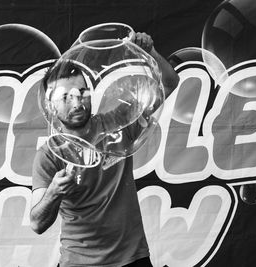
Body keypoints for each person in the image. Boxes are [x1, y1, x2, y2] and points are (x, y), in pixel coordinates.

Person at [30, 32, 180, 267]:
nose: (77, 102)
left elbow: (169, 82)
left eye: (82, 92)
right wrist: (54, 192)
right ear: (51, 104)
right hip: (79, 262)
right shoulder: (50, 154)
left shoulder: (118, 123)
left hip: (132, 258)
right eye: (65, 97)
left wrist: (150, 52)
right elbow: (37, 223)